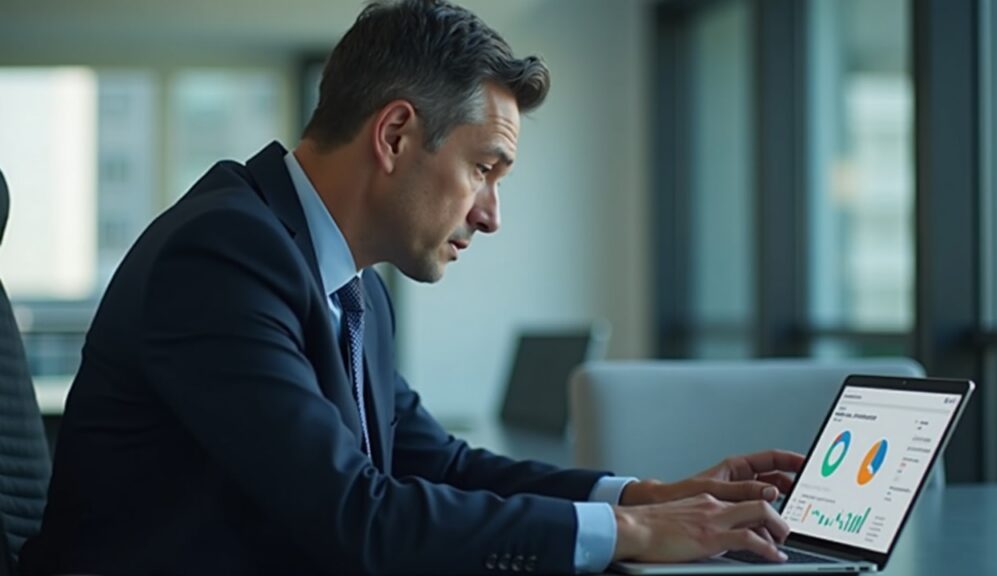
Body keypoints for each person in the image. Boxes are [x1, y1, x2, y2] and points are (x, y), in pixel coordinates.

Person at [21, 1, 803, 574]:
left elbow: (442, 465)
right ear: (395, 136)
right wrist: (630, 538)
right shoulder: (223, 254)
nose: (491, 216)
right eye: (483, 169)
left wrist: (644, 497)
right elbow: (355, 516)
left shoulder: (351, 288)